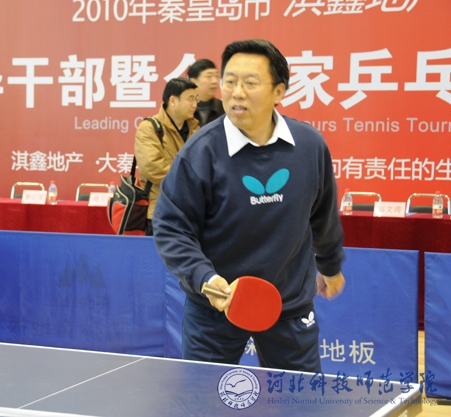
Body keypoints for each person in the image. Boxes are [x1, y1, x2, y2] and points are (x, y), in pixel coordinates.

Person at [152, 39, 345, 372]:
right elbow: (171, 227)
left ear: (279, 91)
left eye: (250, 83)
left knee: (300, 398)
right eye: (229, 82)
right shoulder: (200, 152)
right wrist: (204, 277)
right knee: (203, 397)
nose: (236, 93)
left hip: (289, 302)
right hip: (215, 304)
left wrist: (329, 264)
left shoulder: (309, 145)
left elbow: (322, 213)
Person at [134, 78, 200, 236]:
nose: (195, 105)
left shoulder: (196, 129)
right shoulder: (149, 128)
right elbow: (153, 168)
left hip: (190, 212)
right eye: (190, 99)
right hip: (160, 212)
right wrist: (190, 178)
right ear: (173, 101)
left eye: (196, 99)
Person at [187, 59, 225, 127]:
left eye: (216, 76)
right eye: (209, 76)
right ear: (193, 81)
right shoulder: (184, 109)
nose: (215, 81)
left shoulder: (224, 108)